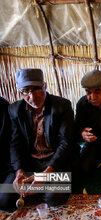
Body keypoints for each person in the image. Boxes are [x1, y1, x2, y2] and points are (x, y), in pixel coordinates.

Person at [0, 68, 77, 211]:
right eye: (25, 91)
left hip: (55, 163)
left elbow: (66, 143)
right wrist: (19, 171)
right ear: (20, 92)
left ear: (45, 87)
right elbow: (14, 143)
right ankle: (35, 183)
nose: (32, 96)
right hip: (30, 163)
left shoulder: (62, 106)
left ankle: (43, 184)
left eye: (36, 89)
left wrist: (47, 173)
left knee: (54, 198)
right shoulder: (14, 110)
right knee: (4, 201)